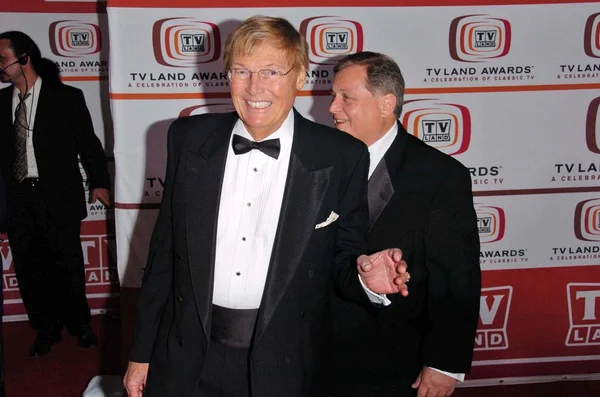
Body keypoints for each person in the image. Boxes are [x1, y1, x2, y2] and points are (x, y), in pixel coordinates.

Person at [123, 16, 409, 397]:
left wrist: (364, 278)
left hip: (286, 363)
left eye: (272, 71)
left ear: (301, 77)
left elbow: (343, 258)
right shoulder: (189, 137)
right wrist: (140, 354)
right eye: (242, 70)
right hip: (188, 354)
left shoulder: (342, 156)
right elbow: (163, 257)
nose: (254, 86)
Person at [328, 51, 481, 397]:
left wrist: (443, 364)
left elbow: (456, 277)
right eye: (333, 97)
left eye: (346, 98)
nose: (333, 108)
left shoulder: (440, 176)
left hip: (396, 362)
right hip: (319, 357)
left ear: (386, 104)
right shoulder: (319, 162)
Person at [0, 31, 111, 357]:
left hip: (58, 197)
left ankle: (80, 326)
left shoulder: (66, 97)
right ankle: (45, 330)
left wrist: (100, 182)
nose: (0, 67)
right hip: (18, 200)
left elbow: (89, 144)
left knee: (68, 266)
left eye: (3, 60)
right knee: (30, 270)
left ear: (24, 59)